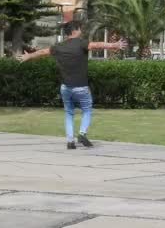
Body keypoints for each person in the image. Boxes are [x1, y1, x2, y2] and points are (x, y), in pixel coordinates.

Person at [19, 21, 127, 149]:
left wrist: (29, 56)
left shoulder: (59, 46)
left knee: (69, 113)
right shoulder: (81, 43)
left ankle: (70, 141)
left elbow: (42, 52)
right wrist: (114, 45)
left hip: (66, 88)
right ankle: (82, 134)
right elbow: (97, 45)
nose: (81, 30)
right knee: (87, 110)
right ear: (75, 30)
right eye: (80, 28)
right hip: (81, 87)